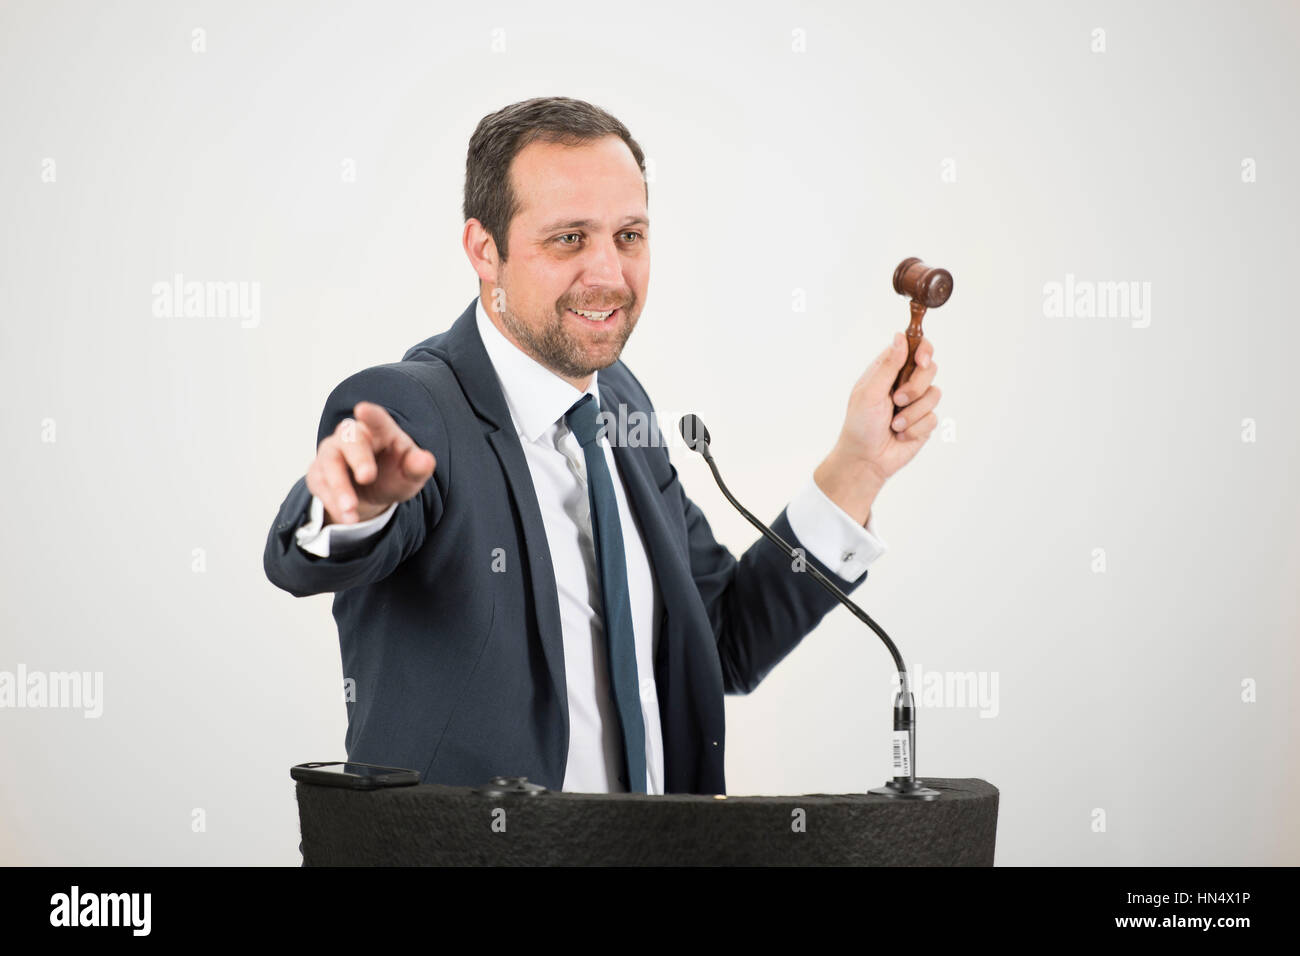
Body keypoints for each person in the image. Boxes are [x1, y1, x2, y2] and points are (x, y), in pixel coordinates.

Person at [264, 96, 941, 796]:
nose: (609, 276)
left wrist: (858, 466)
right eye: (568, 238)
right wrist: (352, 509)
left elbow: (721, 642)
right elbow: (302, 556)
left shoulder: (619, 403)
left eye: (629, 236)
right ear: (483, 251)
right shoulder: (416, 409)